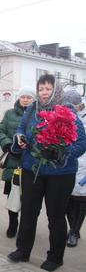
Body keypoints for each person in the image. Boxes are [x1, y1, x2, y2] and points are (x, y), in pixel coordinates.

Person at [8, 74, 86, 272]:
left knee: (56, 217)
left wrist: (62, 153)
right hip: (32, 170)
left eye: (48, 88)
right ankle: (22, 250)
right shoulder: (32, 109)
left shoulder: (66, 110)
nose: (44, 92)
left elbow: (81, 142)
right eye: (41, 88)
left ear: (55, 90)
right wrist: (20, 139)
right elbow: (21, 129)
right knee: (28, 213)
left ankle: (55, 257)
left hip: (60, 174)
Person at [0, 87, 36, 238]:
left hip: (31, 162)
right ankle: (13, 224)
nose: (25, 99)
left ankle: (27, 227)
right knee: (12, 196)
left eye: (29, 97)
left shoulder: (38, 115)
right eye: (23, 96)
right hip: (13, 161)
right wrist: (7, 145)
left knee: (30, 199)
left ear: (34, 100)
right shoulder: (9, 114)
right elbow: (0, 131)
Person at [63, 90, 86, 247]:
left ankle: (74, 231)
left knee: (81, 200)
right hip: (67, 163)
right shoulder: (63, 117)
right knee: (66, 200)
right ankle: (72, 227)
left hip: (84, 165)